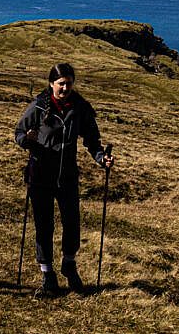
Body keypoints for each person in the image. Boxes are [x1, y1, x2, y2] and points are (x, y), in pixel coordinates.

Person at [15, 63, 114, 296]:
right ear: (51, 84)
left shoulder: (80, 108)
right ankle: (47, 274)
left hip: (68, 176)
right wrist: (27, 140)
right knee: (44, 226)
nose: (65, 87)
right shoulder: (38, 106)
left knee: (72, 223)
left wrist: (101, 158)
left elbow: (92, 139)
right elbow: (18, 133)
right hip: (40, 175)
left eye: (69, 83)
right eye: (61, 83)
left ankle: (69, 264)